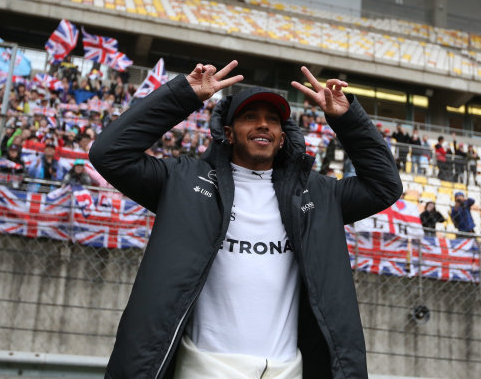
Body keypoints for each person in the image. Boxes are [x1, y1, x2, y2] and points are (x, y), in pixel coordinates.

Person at [89, 61, 402, 379]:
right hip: (205, 368)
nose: (263, 125)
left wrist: (347, 119)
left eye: (272, 120)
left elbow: (384, 186)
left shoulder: (318, 195)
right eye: (250, 117)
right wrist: (183, 95)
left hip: (285, 371)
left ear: (282, 136)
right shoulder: (182, 180)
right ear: (228, 133)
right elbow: (109, 153)